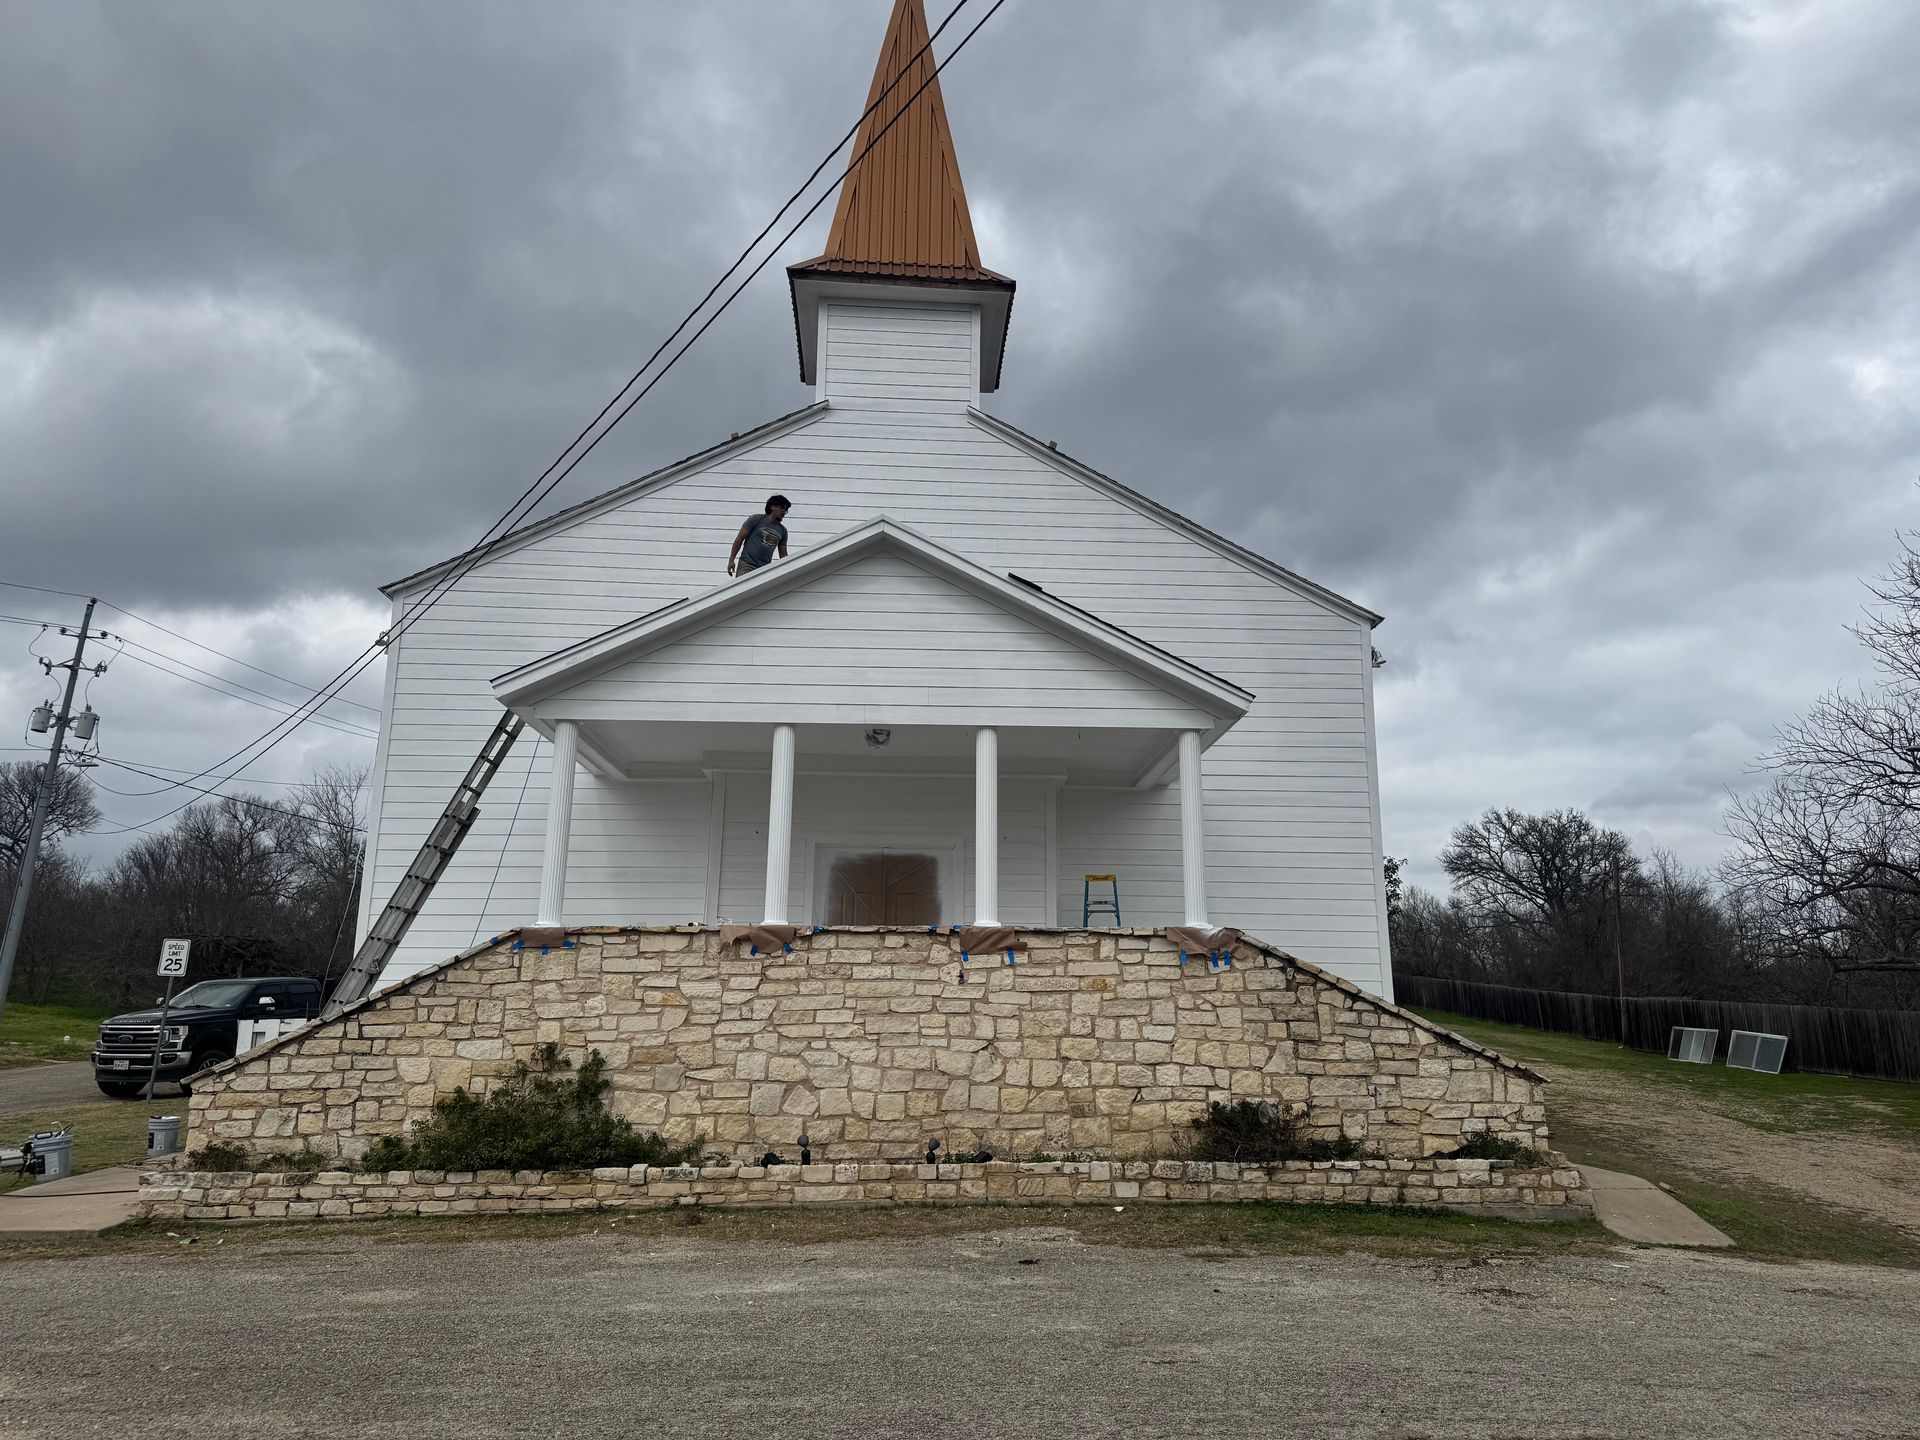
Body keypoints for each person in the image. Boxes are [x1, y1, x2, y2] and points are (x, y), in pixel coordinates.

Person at [727, 495, 791, 577]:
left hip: (764, 570)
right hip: (747, 565)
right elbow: (739, 539)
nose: (784, 512)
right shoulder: (756, 519)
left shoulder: (783, 531)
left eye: (786, 510)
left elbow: (783, 555)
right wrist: (731, 560)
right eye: (782, 508)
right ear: (772, 507)